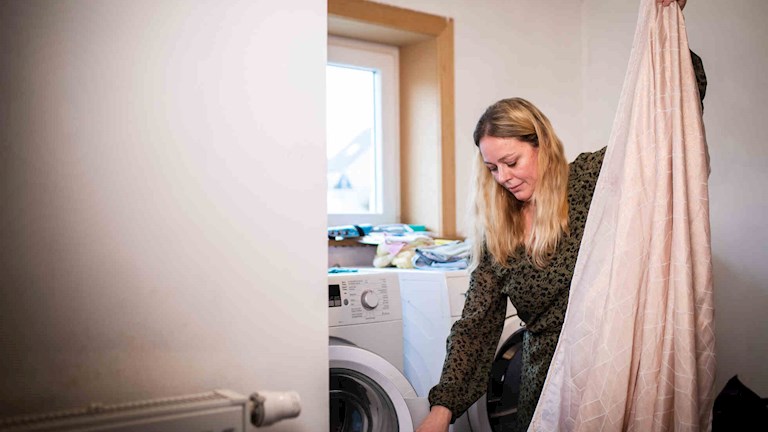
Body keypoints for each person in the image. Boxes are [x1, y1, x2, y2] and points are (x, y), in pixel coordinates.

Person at [416, 1, 702, 431]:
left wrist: (664, 29)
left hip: (611, 369)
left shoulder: (589, 181)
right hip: (546, 383)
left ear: (541, 145)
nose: (503, 178)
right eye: (492, 169)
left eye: (511, 162)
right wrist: (440, 414)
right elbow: (476, 327)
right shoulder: (502, 235)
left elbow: (659, 128)